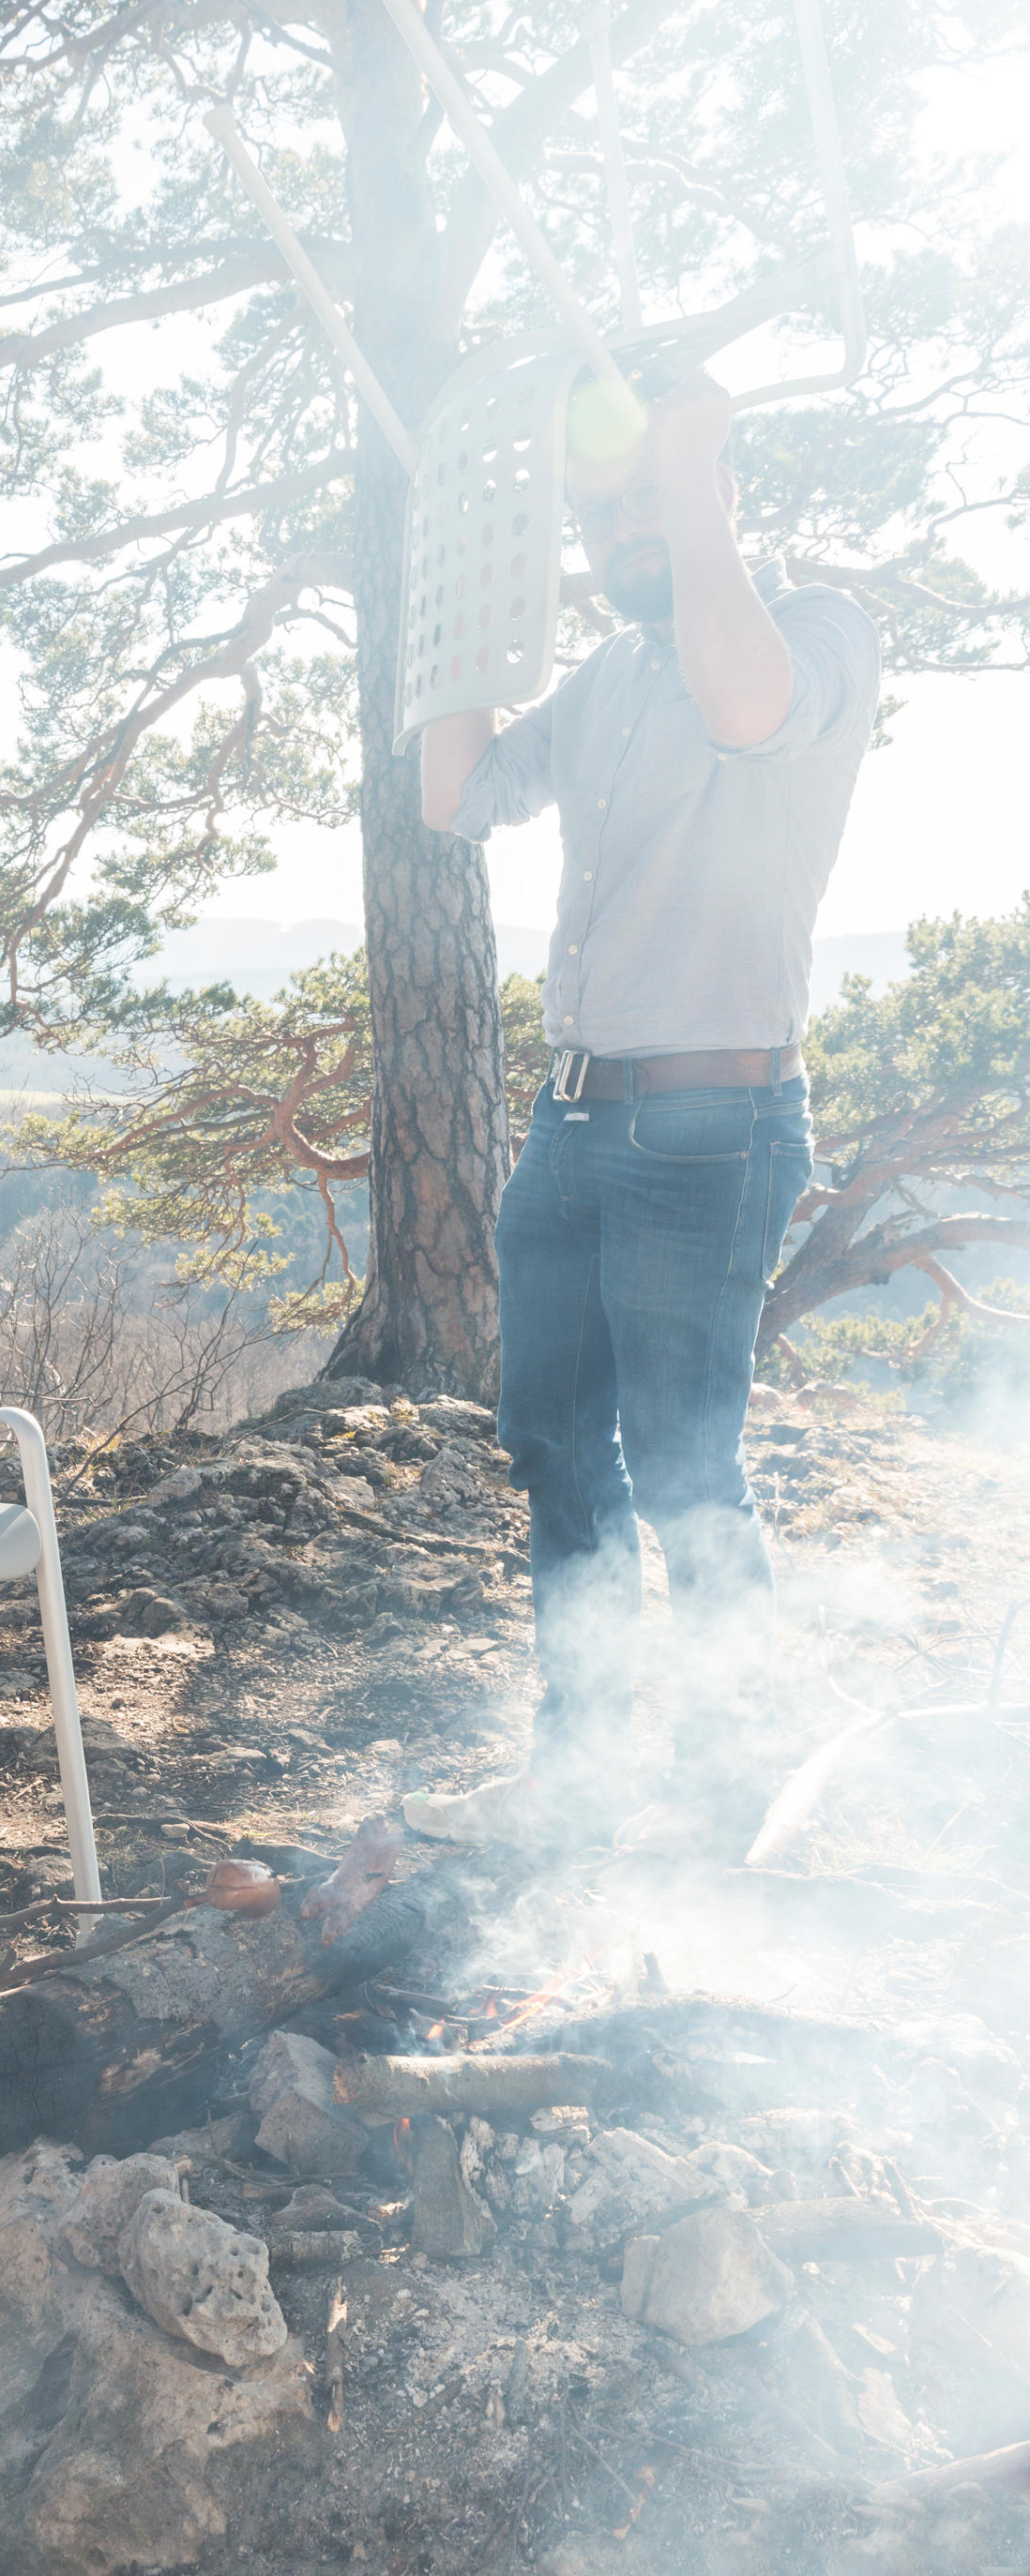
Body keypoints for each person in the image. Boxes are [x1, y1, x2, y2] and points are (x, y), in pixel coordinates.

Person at [401, 367, 881, 1857]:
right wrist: (455, 616)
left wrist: (685, 473)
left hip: (712, 1131)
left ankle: (742, 1792)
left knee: (684, 1463)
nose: (624, 529)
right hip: (574, 1126)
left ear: (718, 487)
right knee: (547, 1435)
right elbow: (459, 798)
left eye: (648, 499)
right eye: (600, 511)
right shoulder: (606, 676)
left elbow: (745, 709)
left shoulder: (815, 635)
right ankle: (589, 1767)